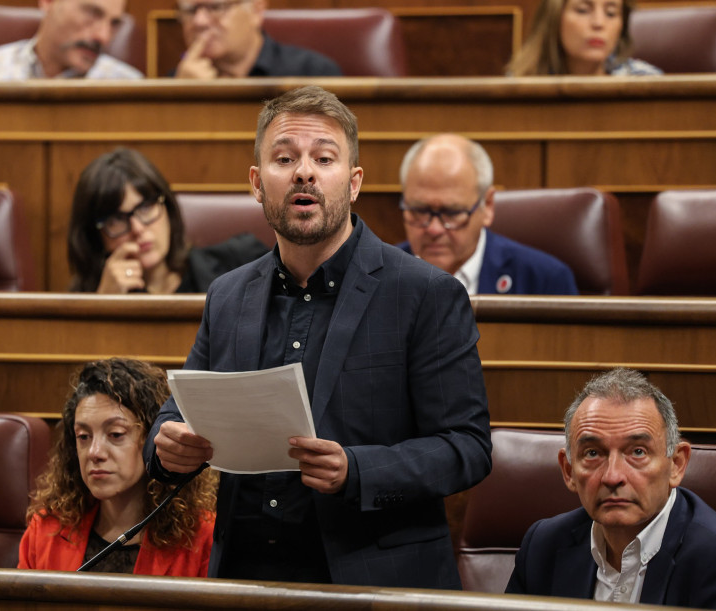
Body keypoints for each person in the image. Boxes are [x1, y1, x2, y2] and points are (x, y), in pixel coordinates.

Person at [144, 85, 492, 587]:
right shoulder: (228, 295)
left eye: (324, 158)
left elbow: (467, 448)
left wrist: (358, 471)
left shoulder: (425, 294)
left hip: (372, 579)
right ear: (257, 183)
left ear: (352, 184)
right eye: (284, 158)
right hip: (244, 580)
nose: (304, 171)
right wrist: (166, 448)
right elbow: (178, 416)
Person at [506, 368, 716, 609]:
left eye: (637, 452)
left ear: (676, 464)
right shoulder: (543, 546)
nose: (613, 476)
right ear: (569, 471)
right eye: (593, 453)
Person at [18, 358, 216, 575]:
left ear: (152, 438)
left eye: (115, 434)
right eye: (83, 436)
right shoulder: (46, 530)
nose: (94, 452)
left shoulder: (202, 536)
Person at [397, 134, 578, 295]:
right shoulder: (374, 275)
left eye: (452, 213)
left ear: (488, 206)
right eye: (419, 211)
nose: (434, 229)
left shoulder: (543, 280)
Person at [68, 147, 267, 293]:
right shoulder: (85, 300)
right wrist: (102, 307)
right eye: (116, 220)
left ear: (167, 209)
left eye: (145, 207)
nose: (137, 228)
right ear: (95, 237)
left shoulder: (240, 261)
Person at [0, 0, 141, 81]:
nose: (103, 36)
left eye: (114, 23)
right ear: (48, 2)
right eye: (91, 13)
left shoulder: (130, 89)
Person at [173, 0, 341, 79]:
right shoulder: (178, 79)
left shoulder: (313, 74)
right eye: (189, 10)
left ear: (256, 11)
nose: (199, 21)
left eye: (216, 8)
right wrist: (183, 95)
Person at [507, 0, 661, 76]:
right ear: (553, 19)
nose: (599, 23)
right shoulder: (519, 86)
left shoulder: (645, 82)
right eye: (582, 10)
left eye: (611, 13)